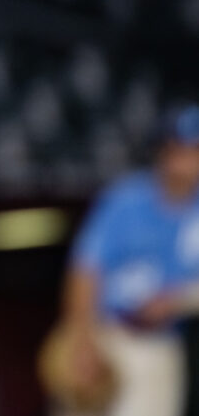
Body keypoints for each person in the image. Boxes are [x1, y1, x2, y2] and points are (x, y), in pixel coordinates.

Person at [44, 104, 199, 416]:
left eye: (193, 150)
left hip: (157, 343)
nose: (184, 159)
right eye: (177, 148)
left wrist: (176, 301)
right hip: (105, 333)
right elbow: (85, 269)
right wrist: (81, 336)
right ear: (162, 150)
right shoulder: (126, 199)